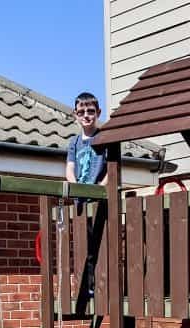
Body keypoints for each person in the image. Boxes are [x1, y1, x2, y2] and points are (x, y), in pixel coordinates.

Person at [65, 92, 107, 298]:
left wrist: (101, 187)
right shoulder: (74, 143)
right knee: (83, 246)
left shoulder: (104, 138)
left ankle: (97, 285)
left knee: (98, 243)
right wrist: (76, 189)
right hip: (81, 201)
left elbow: (111, 169)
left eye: (91, 111)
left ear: (98, 113)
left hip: (97, 198)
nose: (86, 115)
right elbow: (69, 170)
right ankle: (85, 286)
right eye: (81, 112)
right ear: (75, 115)